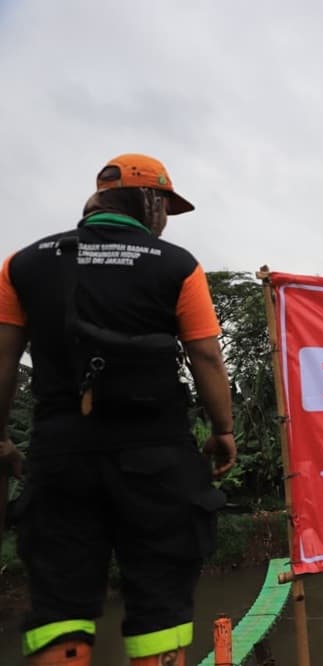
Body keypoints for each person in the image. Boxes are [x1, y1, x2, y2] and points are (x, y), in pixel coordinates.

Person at [0, 154, 237, 666]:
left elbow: (3, 357)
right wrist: (223, 430)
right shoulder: (176, 264)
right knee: (160, 596)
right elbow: (206, 357)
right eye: (166, 206)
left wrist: (1, 439)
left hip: (60, 452)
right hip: (155, 454)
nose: (166, 219)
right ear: (148, 201)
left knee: (59, 600)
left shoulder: (23, 263)